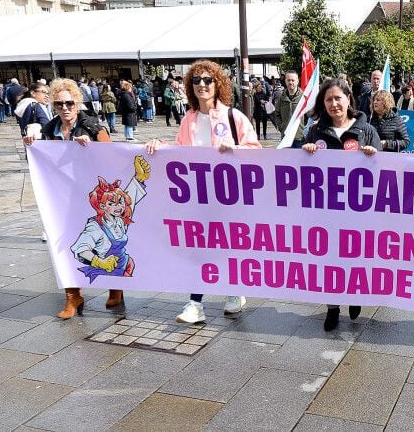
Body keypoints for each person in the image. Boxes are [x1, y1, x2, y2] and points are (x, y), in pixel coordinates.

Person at [146, 60, 261, 325]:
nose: (202, 85)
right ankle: (195, 304)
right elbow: (179, 149)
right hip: (198, 196)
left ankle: (234, 291)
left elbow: (255, 150)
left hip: (230, 195)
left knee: (229, 244)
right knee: (200, 247)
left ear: (217, 84)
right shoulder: (189, 119)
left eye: (207, 80)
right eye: (196, 81)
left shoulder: (234, 116)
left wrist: (234, 149)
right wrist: (158, 145)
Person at [23, 79, 127, 317]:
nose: (65, 108)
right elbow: (41, 165)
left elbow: (112, 160)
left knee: (105, 241)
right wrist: (31, 146)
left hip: (94, 199)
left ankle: (116, 289)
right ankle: (73, 295)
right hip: (62, 199)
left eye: (69, 103)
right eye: (59, 104)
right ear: (52, 104)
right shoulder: (49, 130)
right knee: (63, 243)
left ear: (78, 102)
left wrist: (91, 148)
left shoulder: (93, 127)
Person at [301, 79, 382, 331]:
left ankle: (356, 295)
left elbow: (384, 170)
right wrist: (305, 152)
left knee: (356, 257)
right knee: (330, 260)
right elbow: (301, 171)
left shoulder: (366, 129)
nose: (334, 104)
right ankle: (333, 308)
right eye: (328, 100)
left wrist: (373, 156)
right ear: (323, 104)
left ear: (348, 99)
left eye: (338, 98)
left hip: (359, 210)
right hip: (327, 210)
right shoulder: (315, 131)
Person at [275, 71, 306, 145]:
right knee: (286, 157)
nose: (291, 82)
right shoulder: (281, 97)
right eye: (288, 80)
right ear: (285, 81)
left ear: (297, 81)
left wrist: (304, 129)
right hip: (286, 136)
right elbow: (277, 114)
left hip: (300, 137)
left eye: (293, 80)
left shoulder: (304, 97)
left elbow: (309, 114)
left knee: (299, 157)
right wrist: (281, 127)